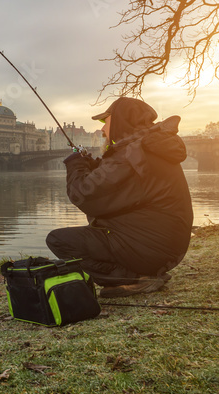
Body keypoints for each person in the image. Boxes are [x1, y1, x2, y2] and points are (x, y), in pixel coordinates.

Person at [45, 97, 193, 298]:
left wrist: (75, 164)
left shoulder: (131, 154)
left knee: (58, 240)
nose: (104, 130)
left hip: (150, 248)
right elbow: (124, 187)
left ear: (120, 122)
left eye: (105, 123)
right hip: (165, 245)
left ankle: (133, 279)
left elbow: (84, 195)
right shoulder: (147, 148)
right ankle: (142, 273)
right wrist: (93, 166)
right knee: (93, 231)